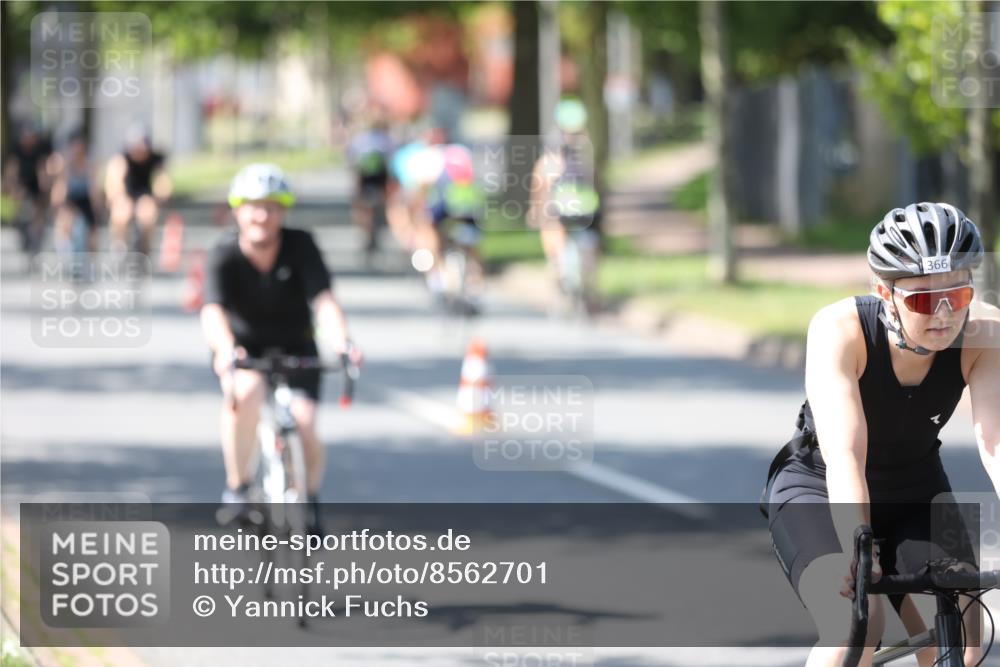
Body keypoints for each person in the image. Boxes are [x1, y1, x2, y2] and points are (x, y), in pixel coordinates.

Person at [763, 202, 999, 666]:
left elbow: (996, 441)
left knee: (963, 635)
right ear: (885, 294)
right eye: (925, 300)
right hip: (820, 485)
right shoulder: (840, 330)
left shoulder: (985, 333)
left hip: (918, 489)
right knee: (856, 624)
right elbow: (845, 456)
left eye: (959, 296)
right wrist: (859, 544)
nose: (945, 315)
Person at [200, 163, 360, 533]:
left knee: (304, 423)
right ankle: (238, 487)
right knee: (246, 392)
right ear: (237, 210)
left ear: (283, 211)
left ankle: (310, 498)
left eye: (272, 206)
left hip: (295, 347)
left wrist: (342, 341)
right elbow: (212, 311)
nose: (262, 215)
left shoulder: (301, 245)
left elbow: (323, 300)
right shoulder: (223, 253)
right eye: (253, 205)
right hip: (244, 351)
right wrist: (226, 350)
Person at [528, 98, 602, 310]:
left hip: (560, 209)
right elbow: (596, 182)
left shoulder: (551, 158)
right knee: (591, 249)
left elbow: (540, 185)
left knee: (553, 242)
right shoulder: (588, 153)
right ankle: (592, 291)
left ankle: (557, 272)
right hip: (587, 208)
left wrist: (535, 211)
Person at [103, 124, 171, 255]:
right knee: (120, 213)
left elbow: (162, 180)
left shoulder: (155, 159)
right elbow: (114, 181)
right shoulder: (122, 159)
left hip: (145, 195)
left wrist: (162, 194)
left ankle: (145, 249)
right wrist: (117, 197)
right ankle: (119, 246)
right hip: (125, 194)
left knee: (148, 213)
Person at [2, 123, 55, 255]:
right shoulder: (16, 148)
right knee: (19, 211)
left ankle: (36, 239)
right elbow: (11, 169)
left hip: (36, 185)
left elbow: (44, 168)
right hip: (21, 185)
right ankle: (23, 234)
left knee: (38, 213)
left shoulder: (41, 148)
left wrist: (45, 187)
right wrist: (12, 187)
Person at [347, 118, 394, 260]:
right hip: (381, 179)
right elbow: (391, 161)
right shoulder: (387, 140)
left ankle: (368, 231)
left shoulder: (360, 140)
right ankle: (376, 230)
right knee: (381, 207)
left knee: (362, 209)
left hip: (365, 179)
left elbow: (353, 161)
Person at [50, 129, 102, 255]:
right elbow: (60, 185)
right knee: (64, 219)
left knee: (92, 230)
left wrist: (96, 209)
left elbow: (93, 187)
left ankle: (91, 260)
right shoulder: (65, 162)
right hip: (71, 198)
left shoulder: (90, 162)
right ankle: (63, 249)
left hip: (85, 198)